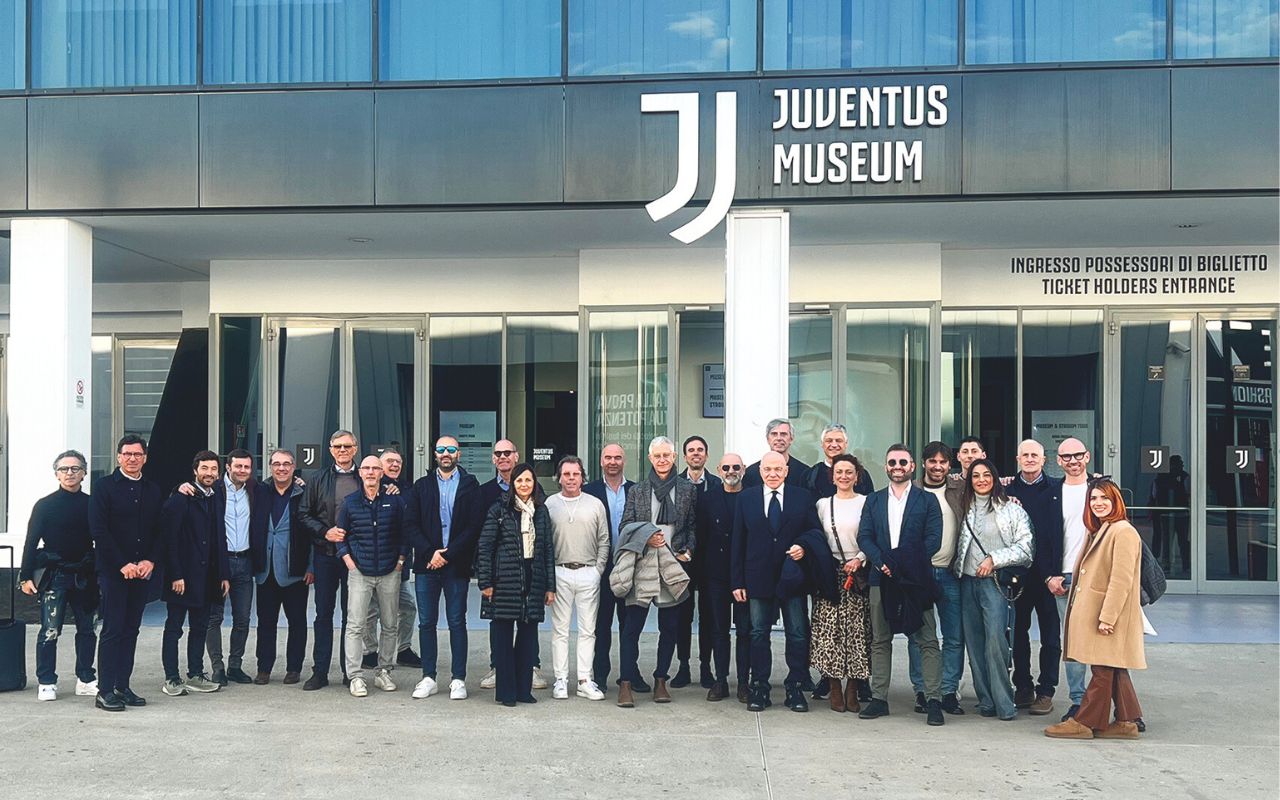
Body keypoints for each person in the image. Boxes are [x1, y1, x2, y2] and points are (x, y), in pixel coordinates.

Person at [1045, 479, 1146, 741]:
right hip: (1100, 613)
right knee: (1113, 667)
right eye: (1093, 499)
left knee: (1102, 669)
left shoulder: (1122, 531)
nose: (1098, 503)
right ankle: (1126, 722)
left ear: (1116, 502)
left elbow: (1121, 580)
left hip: (1110, 615)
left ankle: (1085, 721)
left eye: (1105, 498)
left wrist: (1107, 618)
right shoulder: (1101, 529)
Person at [856, 444, 946, 726]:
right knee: (880, 640)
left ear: (912, 467)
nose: (897, 466)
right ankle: (879, 699)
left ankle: (933, 700)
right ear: (886, 467)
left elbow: (933, 539)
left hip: (915, 579)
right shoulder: (873, 500)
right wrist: (881, 561)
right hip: (879, 578)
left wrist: (900, 563)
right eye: (892, 461)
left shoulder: (927, 500)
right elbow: (865, 537)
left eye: (903, 462)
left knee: (927, 640)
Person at [732, 450, 822, 713]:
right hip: (757, 578)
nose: (773, 474)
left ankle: (795, 685)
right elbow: (738, 541)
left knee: (797, 633)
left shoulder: (802, 498)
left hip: (791, 577)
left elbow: (814, 531)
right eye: (767, 469)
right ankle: (759, 685)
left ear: (786, 471)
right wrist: (737, 581)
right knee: (758, 633)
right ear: (760, 471)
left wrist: (803, 547)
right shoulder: (746, 498)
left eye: (778, 469)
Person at [617, 436, 698, 704]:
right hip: (642, 565)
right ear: (650, 459)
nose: (662, 460)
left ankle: (661, 680)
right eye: (657, 456)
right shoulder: (637, 491)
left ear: (674, 457)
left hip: (672, 566)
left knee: (670, 628)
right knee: (632, 628)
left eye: (667, 455)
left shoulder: (687, 490)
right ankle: (626, 682)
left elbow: (691, 528)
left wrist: (688, 550)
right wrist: (647, 537)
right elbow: (625, 527)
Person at [953, 458, 1034, 721]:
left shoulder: (1011, 509)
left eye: (986, 475)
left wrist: (994, 559)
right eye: (975, 476)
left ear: (995, 477)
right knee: (974, 644)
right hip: (965, 582)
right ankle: (986, 700)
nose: (981, 480)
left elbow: (1026, 548)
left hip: (995, 584)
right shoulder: (962, 507)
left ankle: (1004, 702)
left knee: (996, 642)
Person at [90, 434, 165, 712]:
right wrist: (122, 563)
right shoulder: (104, 487)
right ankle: (105, 690)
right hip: (114, 572)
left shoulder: (153, 489)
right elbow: (99, 529)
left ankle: (123, 685)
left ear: (145, 457)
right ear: (119, 457)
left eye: (137, 454)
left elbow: (160, 530)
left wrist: (150, 561)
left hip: (142, 572)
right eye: (127, 454)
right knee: (112, 630)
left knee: (131, 630)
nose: (132, 459)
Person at [406, 436, 484, 700]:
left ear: (458, 454)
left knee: (456, 621)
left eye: (451, 449)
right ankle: (428, 677)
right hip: (427, 565)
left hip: (456, 565)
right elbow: (411, 525)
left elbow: (474, 527)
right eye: (441, 449)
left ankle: (458, 679)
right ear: (434, 454)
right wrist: (431, 553)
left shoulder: (471, 485)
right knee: (426, 622)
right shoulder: (421, 486)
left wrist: (447, 554)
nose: (446, 453)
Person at [475, 463, 556, 707]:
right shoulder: (499, 509)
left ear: (534, 484)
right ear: (513, 483)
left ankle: (523, 690)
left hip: (534, 578)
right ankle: (506, 692)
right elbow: (485, 547)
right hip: (504, 579)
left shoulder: (541, 512)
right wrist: (485, 582)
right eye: (519, 480)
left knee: (528, 637)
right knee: (502, 637)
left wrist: (549, 586)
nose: (523, 485)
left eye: (528, 481)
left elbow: (547, 550)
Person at [20, 450, 98, 702]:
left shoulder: (92, 504)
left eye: (75, 469)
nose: (70, 473)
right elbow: (31, 542)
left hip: (85, 575)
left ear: (84, 473)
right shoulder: (45, 505)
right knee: (50, 630)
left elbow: (104, 539)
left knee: (88, 629)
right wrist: (25, 576)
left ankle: (86, 678)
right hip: (55, 575)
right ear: (56, 474)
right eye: (64, 469)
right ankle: (46, 681)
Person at [337, 456, 412, 697]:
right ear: (361, 473)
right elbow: (341, 536)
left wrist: (401, 561)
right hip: (359, 572)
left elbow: (404, 533)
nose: (370, 472)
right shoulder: (350, 503)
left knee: (390, 624)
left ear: (382, 473)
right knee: (355, 625)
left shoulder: (395, 500)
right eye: (367, 468)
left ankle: (383, 671)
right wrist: (348, 561)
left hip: (390, 571)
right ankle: (355, 676)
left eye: (375, 469)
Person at [159, 450, 230, 697]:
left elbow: (220, 537)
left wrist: (223, 574)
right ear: (195, 471)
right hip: (182, 577)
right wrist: (175, 575)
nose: (209, 473)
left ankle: (195, 674)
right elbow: (170, 539)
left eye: (213, 469)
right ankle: (171, 678)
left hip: (208, 577)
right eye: (204, 469)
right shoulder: (181, 498)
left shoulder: (217, 496)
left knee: (199, 627)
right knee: (174, 628)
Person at [298, 429, 361, 691]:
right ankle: (320, 672)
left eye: (347, 446)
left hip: (355, 559)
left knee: (352, 617)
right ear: (330, 449)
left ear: (355, 448)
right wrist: (325, 531)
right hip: (325, 555)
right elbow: (303, 514)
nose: (342, 450)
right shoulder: (318, 479)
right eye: (337, 446)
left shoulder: (365, 476)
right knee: (323, 615)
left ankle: (350, 672)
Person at [1005, 439, 1064, 716]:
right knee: (1018, 635)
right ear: (1018, 459)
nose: (1030, 459)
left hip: (1050, 578)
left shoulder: (1058, 489)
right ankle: (1024, 687)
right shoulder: (1006, 490)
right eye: (1025, 455)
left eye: (1035, 455)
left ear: (1044, 460)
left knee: (1051, 636)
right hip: (1018, 577)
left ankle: (1046, 690)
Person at [809, 454, 871, 713]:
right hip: (830, 573)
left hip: (858, 574)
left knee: (858, 633)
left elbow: (873, 535)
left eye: (849, 472)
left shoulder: (867, 502)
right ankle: (834, 685)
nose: (844, 476)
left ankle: (853, 688)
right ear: (832, 476)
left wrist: (859, 559)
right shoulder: (823, 504)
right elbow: (815, 537)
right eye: (839, 472)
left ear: (857, 476)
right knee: (828, 633)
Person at [546, 456, 609, 701]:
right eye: (566, 474)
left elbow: (604, 539)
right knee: (560, 630)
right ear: (559, 477)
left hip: (588, 572)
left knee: (587, 630)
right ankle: (560, 679)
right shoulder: (550, 504)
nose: (571, 478)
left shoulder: (595, 504)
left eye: (575, 474)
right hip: (559, 571)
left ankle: (585, 679)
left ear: (583, 477)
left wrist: (598, 570)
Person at [909, 441, 965, 715]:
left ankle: (948, 691)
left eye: (943, 462)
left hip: (951, 573)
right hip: (919, 574)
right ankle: (922, 690)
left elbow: (990, 483)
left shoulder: (959, 489)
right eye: (932, 461)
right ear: (923, 464)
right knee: (919, 635)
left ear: (949, 465)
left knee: (954, 636)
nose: (938, 466)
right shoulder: (912, 491)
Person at [250, 449, 313, 686]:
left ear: (294, 466)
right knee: (266, 622)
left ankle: (294, 668)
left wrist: (311, 566)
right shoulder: (260, 491)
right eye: (276, 464)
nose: (282, 468)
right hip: (265, 570)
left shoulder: (303, 494)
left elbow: (313, 532)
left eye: (286, 464)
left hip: (294, 570)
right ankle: (264, 668)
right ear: (270, 467)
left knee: (297, 622)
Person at [696, 453, 750, 702]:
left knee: (744, 631)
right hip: (715, 575)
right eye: (726, 467)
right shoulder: (707, 499)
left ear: (744, 469)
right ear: (718, 469)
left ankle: (743, 683)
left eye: (735, 467)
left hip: (745, 575)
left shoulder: (752, 497)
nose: (731, 471)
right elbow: (701, 537)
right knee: (718, 630)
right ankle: (720, 681)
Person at [360, 447, 420, 671]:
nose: (394, 465)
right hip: (370, 564)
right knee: (371, 611)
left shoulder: (407, 489)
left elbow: (410, 520)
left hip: (398, 564)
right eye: (389, 462)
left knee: (408, 607)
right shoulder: (366, 486)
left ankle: (403, 649)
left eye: (398, 462)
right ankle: (370, 652)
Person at [584, 443, 634, 693]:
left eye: (617, 457)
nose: (613, 461)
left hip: (628, 569)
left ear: (624, 461)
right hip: (600, 568)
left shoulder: (636, 490)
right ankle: (600, 675)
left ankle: (630, 674)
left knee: (629, 626)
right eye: (608, 457)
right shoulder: (589, 491)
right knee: (600, 626)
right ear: (601, 461)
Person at [206, 448, 256, 686]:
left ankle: (235, 665)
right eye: (238, 466)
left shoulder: (256, 490)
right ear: (228, 467)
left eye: (247, 467)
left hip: (245, 562)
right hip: (219, 561)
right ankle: (217, 667)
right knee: (214, 617)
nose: (243, 471)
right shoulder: (213, 490)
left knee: (243, 618)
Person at [1051, 437, 1092, 721]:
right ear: (1058, 461)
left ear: (1087, 457)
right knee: (1073, 641)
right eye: (1066, 456)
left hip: (1096, 575)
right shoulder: (1052, 492)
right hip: (1063, 576)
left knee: (1105, 638)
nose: (1073, 461)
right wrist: (1048, 576)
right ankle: (1078, 701)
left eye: (1078, 455)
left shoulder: (1102, 489)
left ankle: (1105, 699)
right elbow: (1042, 537)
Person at [677, 434, 720, 689]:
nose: (696, 454)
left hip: (710, 561)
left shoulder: (716, 484)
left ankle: (706, 667)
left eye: (700, 450)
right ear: (685, 457)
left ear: (706, 455)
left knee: (709, 617)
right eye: (691, 450)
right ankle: (683, 666)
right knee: (683, 615)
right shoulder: (675, 484)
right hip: (682, 561)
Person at [804, 424, 875, 498]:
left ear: (846, 444)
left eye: (838, 441)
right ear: (822, 444)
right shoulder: (810, 476)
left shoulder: (861, 475)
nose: (834, 445)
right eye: (829, 441)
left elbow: (870, 505)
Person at [743, 419, 811, 489]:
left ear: (791, 439)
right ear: (768, 439)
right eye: (774, 434)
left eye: (783, 434)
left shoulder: (804, 472)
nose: (779, 438)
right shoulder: (751, 473)